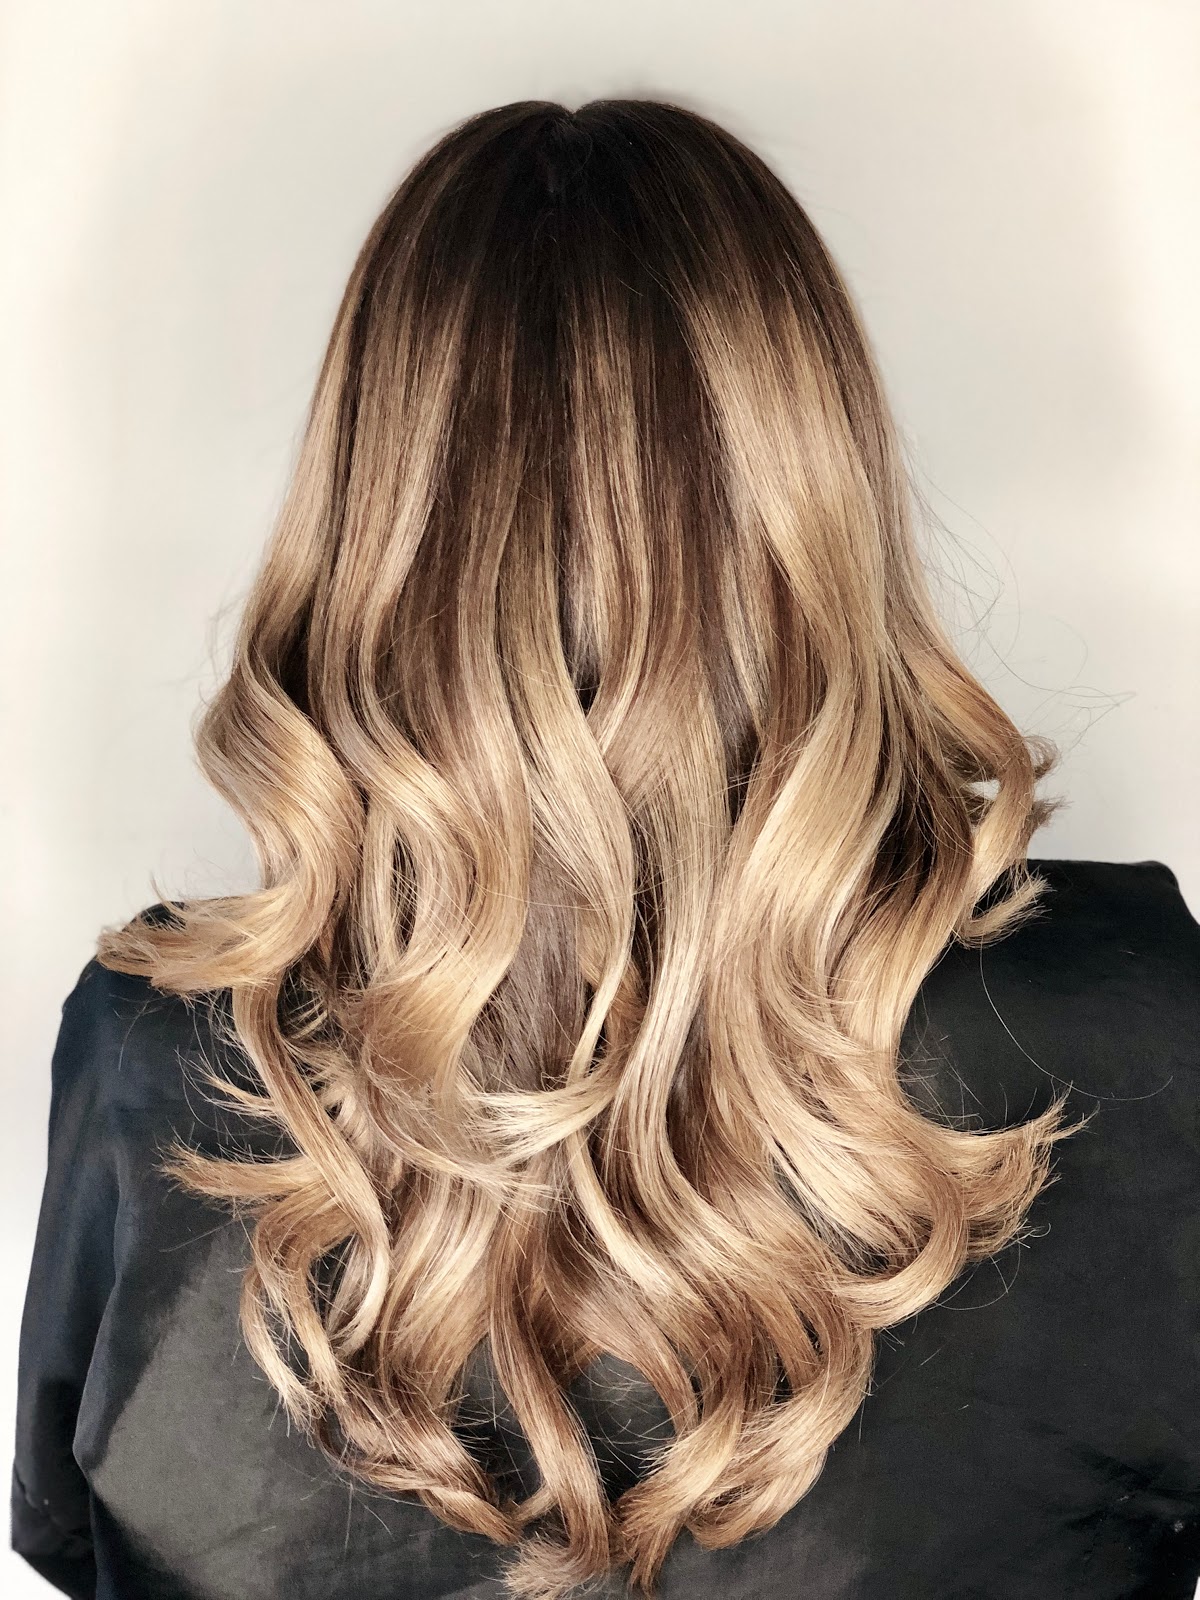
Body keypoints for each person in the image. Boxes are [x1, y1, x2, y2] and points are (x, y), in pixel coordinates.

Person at [11, 98, 1200, 1600]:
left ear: (374, 518)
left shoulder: (163, 1055)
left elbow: (74, 1529)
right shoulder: (1135, 1018)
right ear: (814, 491)